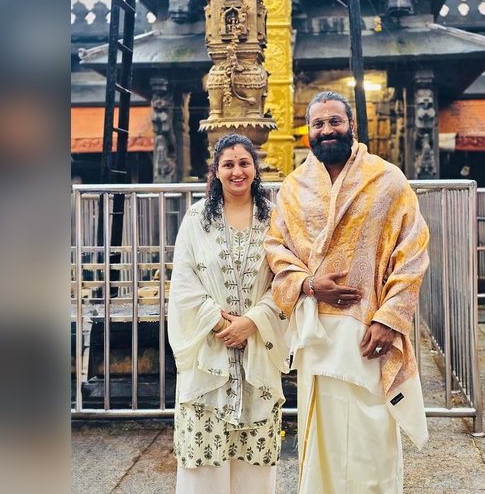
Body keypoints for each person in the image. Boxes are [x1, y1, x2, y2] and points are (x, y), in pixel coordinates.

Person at [264, 91, 430, 493]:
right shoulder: (293, 188)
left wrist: (389, 319)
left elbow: (413, 251)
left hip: (368, 330)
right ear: (308, 134)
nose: (326, 130)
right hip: (316, 331)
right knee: (321, 435)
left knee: (372, 434)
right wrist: (307, 284)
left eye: (334, 121)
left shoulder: (387, 180)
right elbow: (275, 247)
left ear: (352, 126)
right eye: (318, 124)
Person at [169, 133, 289, 494]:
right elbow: (183, 282)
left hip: (258, 348)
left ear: (255, 169)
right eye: (228, 164)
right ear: (216, 172)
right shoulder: (195, 219)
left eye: (244, 163)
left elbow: (285, 280)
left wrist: (253, 322)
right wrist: (221, 322)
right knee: (205, 456)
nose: (237, 171)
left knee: (254, 456)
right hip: (210, 348)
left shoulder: (276, 220)